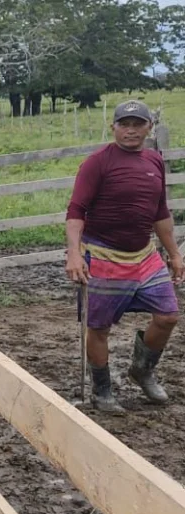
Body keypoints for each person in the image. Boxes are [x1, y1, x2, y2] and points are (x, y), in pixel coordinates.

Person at [65, 99, 183, 414]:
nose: (131, 130)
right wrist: (74, 253)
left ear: (149, 127)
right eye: (124, 124)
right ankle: (102, 390)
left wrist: (174, 253)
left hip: (144, 255)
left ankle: (142, 370)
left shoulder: (154, 161)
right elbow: (77, 210)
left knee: (168, 315)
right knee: (100, 327)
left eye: (138, 124)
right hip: (103, 255)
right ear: (113, 127)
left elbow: (160, 211)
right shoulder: (97, 162)